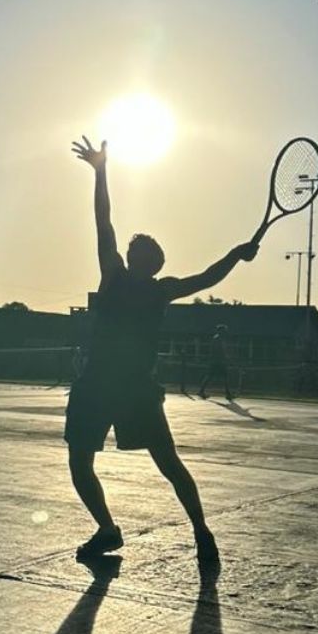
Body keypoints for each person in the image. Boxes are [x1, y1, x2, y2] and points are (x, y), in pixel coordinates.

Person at [65, 136, 258, 562]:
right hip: (114, 386)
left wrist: (235, 255)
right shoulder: (140, 283)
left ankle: (185, 529)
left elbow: (205, 277)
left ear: (145, 261)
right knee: (135, 463)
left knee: (149, 463)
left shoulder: (132, 281)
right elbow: (105, 222)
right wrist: (100, 173)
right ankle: (125, 530)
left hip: (118, 387)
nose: (129, 252)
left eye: (136, 251)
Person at [199, 324, 232, 400]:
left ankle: (228, 394)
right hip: (217, 361)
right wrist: (225, 357)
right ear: (220, 331)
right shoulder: (217, 339)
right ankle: (228, 394)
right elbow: (219, 350)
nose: (225, 332)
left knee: (217, 377)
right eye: (224, 331)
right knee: (214, 376)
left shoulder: (219, 339)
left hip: (217, 361)